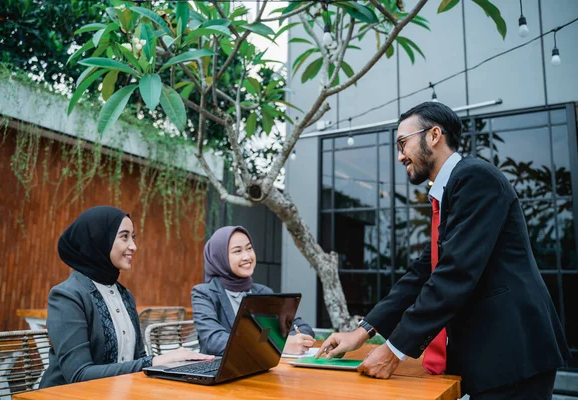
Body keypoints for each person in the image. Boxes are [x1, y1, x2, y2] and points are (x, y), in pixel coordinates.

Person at [317, 102, 570, 399]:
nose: (400, 156)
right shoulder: (449, 192)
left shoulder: (475, 178)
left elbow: (455, 272)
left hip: (516, 351)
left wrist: (393, 351)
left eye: (403, 143)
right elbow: (423, 272)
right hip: (497, 356)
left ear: (434, 135)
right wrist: (361, 332)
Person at [40, 206, 213, 389]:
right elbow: (79, 375)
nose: (133, 246)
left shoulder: (124, 295)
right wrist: (154, 361)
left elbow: (137, 359)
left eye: (133, 237)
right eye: (124, 236)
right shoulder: (67, 296)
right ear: (99, 240)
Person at [192, 226, 315, 356]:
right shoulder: (204, 294)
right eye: (237, 251)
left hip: (262, 369)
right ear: (220, 257)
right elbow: (215, 341)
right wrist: (279, 343)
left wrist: (296, 340)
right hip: (220, 372)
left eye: (249, 248)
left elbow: (302, 327)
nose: (247, 256)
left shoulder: (263, 292)